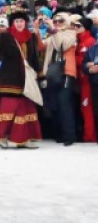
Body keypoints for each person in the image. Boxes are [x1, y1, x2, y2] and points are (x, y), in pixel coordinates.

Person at [0, 31, 42, 148]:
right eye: (16, 21)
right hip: (8, 80)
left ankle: (23, 139)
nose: (19, 24)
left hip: (25, 80)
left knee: (25, 109)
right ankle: (2, 137)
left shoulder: (30, 36)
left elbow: (34, 58)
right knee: (8, 110)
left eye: (21, 21)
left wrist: (41, 75)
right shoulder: (6, 37)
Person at [42, 13, 78, 145]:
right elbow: (41, 46)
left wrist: (52, 29)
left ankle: (69, 136)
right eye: (55, 20)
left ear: (67, 21)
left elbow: (59, 45)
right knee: (55, 105)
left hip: (66, 72)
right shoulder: (53, 33)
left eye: (60, 20)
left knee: (65, 105)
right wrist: (35, 29)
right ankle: (60, 134)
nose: (57, 22)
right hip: (53, 73)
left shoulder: (71, 33)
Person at [74, 16, 96, 142]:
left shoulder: (89, 41)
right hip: (81, 79)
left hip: (87, 79)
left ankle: (90, 135)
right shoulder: (80, 40)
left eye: (78, 26)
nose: (75, 28)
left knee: (87, 107)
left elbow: (87, 61)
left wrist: (74, 58)